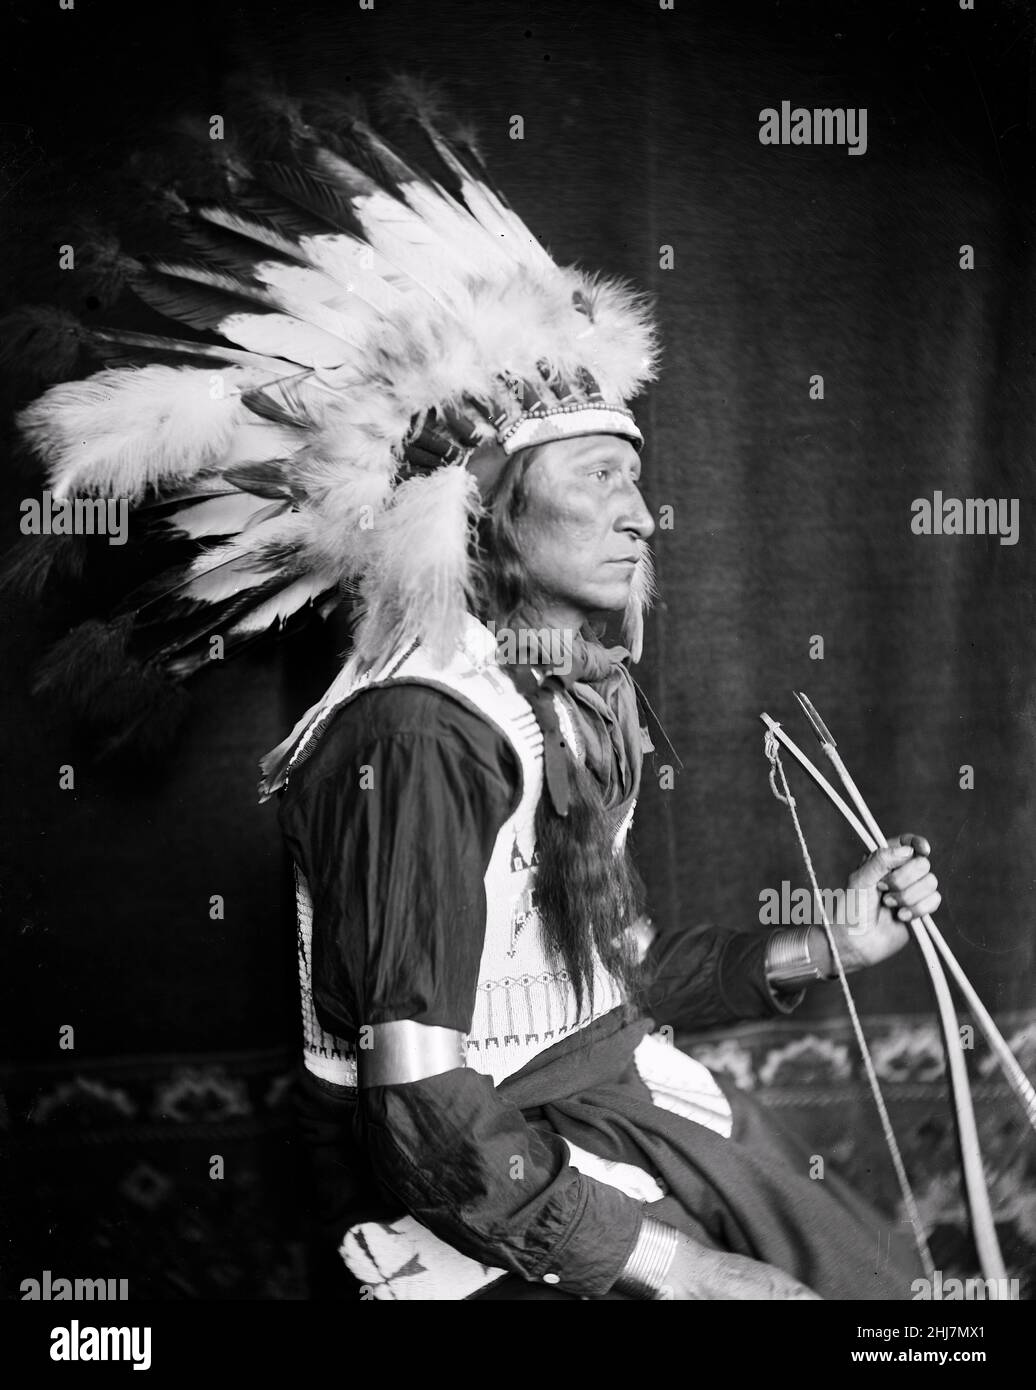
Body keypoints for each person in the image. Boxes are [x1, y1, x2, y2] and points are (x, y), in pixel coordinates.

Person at [14, 82, 939, 1300]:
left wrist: (826, 939)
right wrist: (679, 1268)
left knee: (885, 1298)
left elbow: (601, 981)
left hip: (596, 1110)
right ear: (488, 516)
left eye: (638, 476)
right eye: (601, 473)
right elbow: (424, 1105)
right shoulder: (417, 734)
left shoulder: (553, 699)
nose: (640, 511)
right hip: (487, 1176)